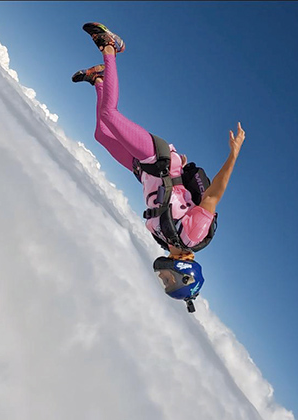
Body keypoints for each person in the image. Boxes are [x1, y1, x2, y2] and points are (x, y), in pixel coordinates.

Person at [72, 23, 246, 310]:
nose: (164, 278)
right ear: (186, 275)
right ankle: (111, 48)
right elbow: (213, 195)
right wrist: (234, 155)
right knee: (110, 115)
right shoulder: (192, 235)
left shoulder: (164, 239)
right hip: (160, 160)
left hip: (141, 170)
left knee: (101, 133)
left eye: (165, 282)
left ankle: (100, 80)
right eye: (170, 280)